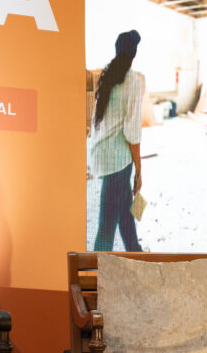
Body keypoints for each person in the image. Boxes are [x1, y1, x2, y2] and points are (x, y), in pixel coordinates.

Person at [89, 30, 144, 252]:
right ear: (134, 53)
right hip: (118, 161)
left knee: (125, 212)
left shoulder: (107, 76)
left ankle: (135, 252)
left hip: (101, 153)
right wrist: (139, 169)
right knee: (106, 227)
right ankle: (95, 269)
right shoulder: (133, 81)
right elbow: (132, 132)